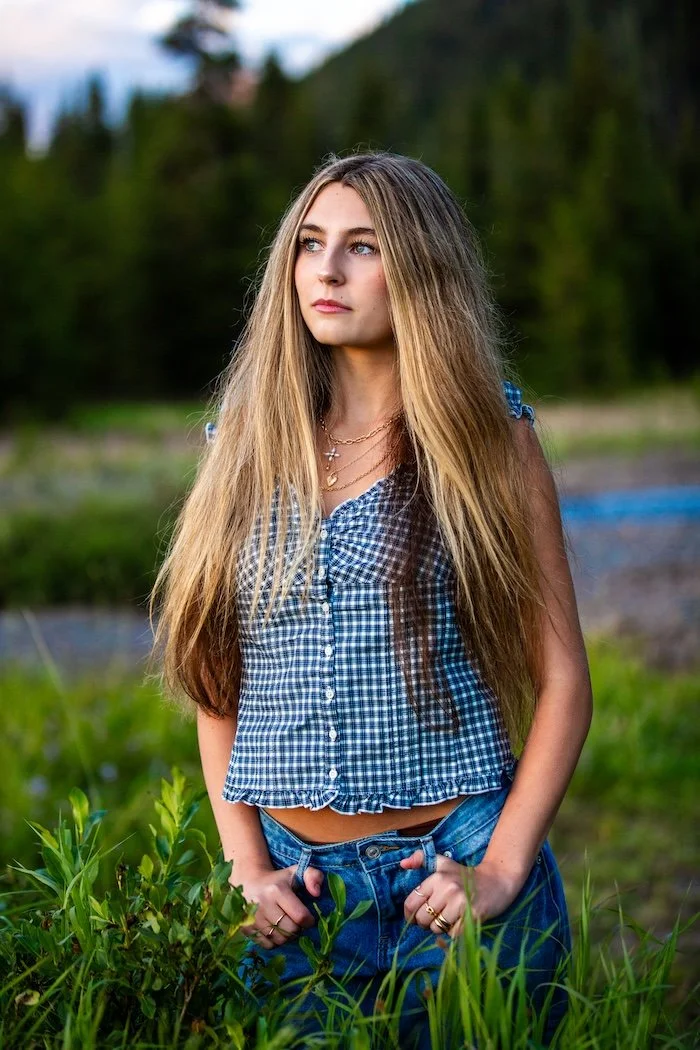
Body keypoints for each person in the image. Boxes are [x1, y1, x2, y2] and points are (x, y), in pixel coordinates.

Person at [150, 151, 593, 1047]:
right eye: (311, 244)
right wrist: (246, 870)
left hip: (453, 872)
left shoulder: (487, 435)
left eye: (363, 246)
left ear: (421, 270)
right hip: (297, 900)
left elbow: (564, 680)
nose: (327, 268)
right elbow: (214, 682)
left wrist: (502, 870)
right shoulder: (243, 443)